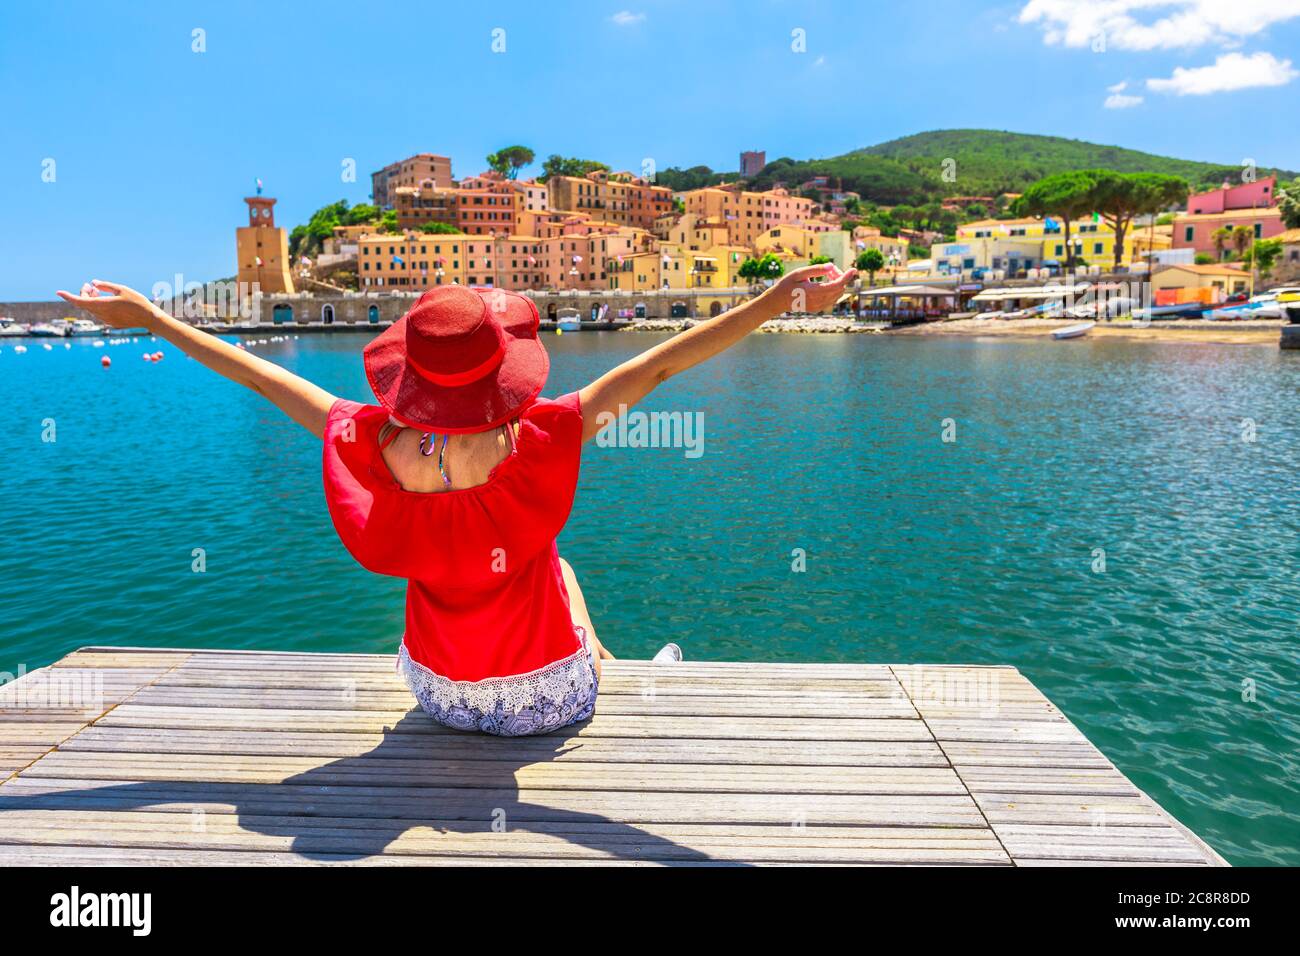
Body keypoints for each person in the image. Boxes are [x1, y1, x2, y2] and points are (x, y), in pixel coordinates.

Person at [58, 263, 857, 735]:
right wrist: (777, 299)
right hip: (546, 700)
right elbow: (661, 366)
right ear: (503, 369)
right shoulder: (542, 436)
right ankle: (619, 665)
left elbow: (259, 376)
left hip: (439, 695)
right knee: (557, 563)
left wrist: (153, 317)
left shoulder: (380, 447)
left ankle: (604, 658)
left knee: (545, 566)